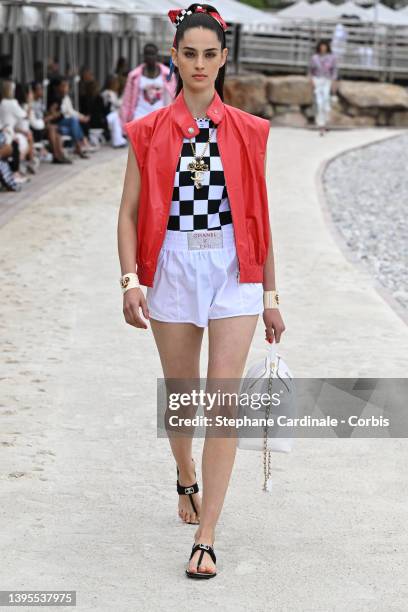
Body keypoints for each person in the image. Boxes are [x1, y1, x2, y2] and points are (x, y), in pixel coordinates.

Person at [117, 3, 285, 580]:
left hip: (235, 272)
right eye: (189, 53)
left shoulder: (249, 131)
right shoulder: (147, 132)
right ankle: (184, 471)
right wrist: (129, 279)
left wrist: (271, 295)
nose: (199, 64)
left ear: (223, 59)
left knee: (222, 402)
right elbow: (129, 212)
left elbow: (261, 218)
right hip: (170, 268)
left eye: (209, 54)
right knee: (183, 396)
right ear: (174, 57)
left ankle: (207, 534)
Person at [119, 43, 177, 130]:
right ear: (143, 55)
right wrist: (124, 123)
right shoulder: (134, 76)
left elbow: (174, 97)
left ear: (157, 55)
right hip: (139, 117)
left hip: (160, 118)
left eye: (152, 54)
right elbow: (127, 101)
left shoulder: (168, 75)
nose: (150, 56)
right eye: (147, 53)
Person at [308, 39, 338, 136]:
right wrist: (312, 80)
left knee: (325, 100)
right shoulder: (314, 58)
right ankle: (321, 125)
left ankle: (325, 122)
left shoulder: (332, 58)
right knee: (319, 102)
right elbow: (311, 70)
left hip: (327, 80)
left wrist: (333, 82)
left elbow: (334, 71)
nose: (323, 48)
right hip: (318, 80)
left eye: (325, 46)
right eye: (322, 46)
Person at [101, 75, 127, 148]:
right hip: (106, 117)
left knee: (118, 117)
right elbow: (117, 104)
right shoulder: (107, 93)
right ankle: (117, 141)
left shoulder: (113, 93)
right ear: (112, 83)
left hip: (112, 116)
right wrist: (124, 96)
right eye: (116, 83)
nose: (118, 84)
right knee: (116, 116)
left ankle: (119, 139)